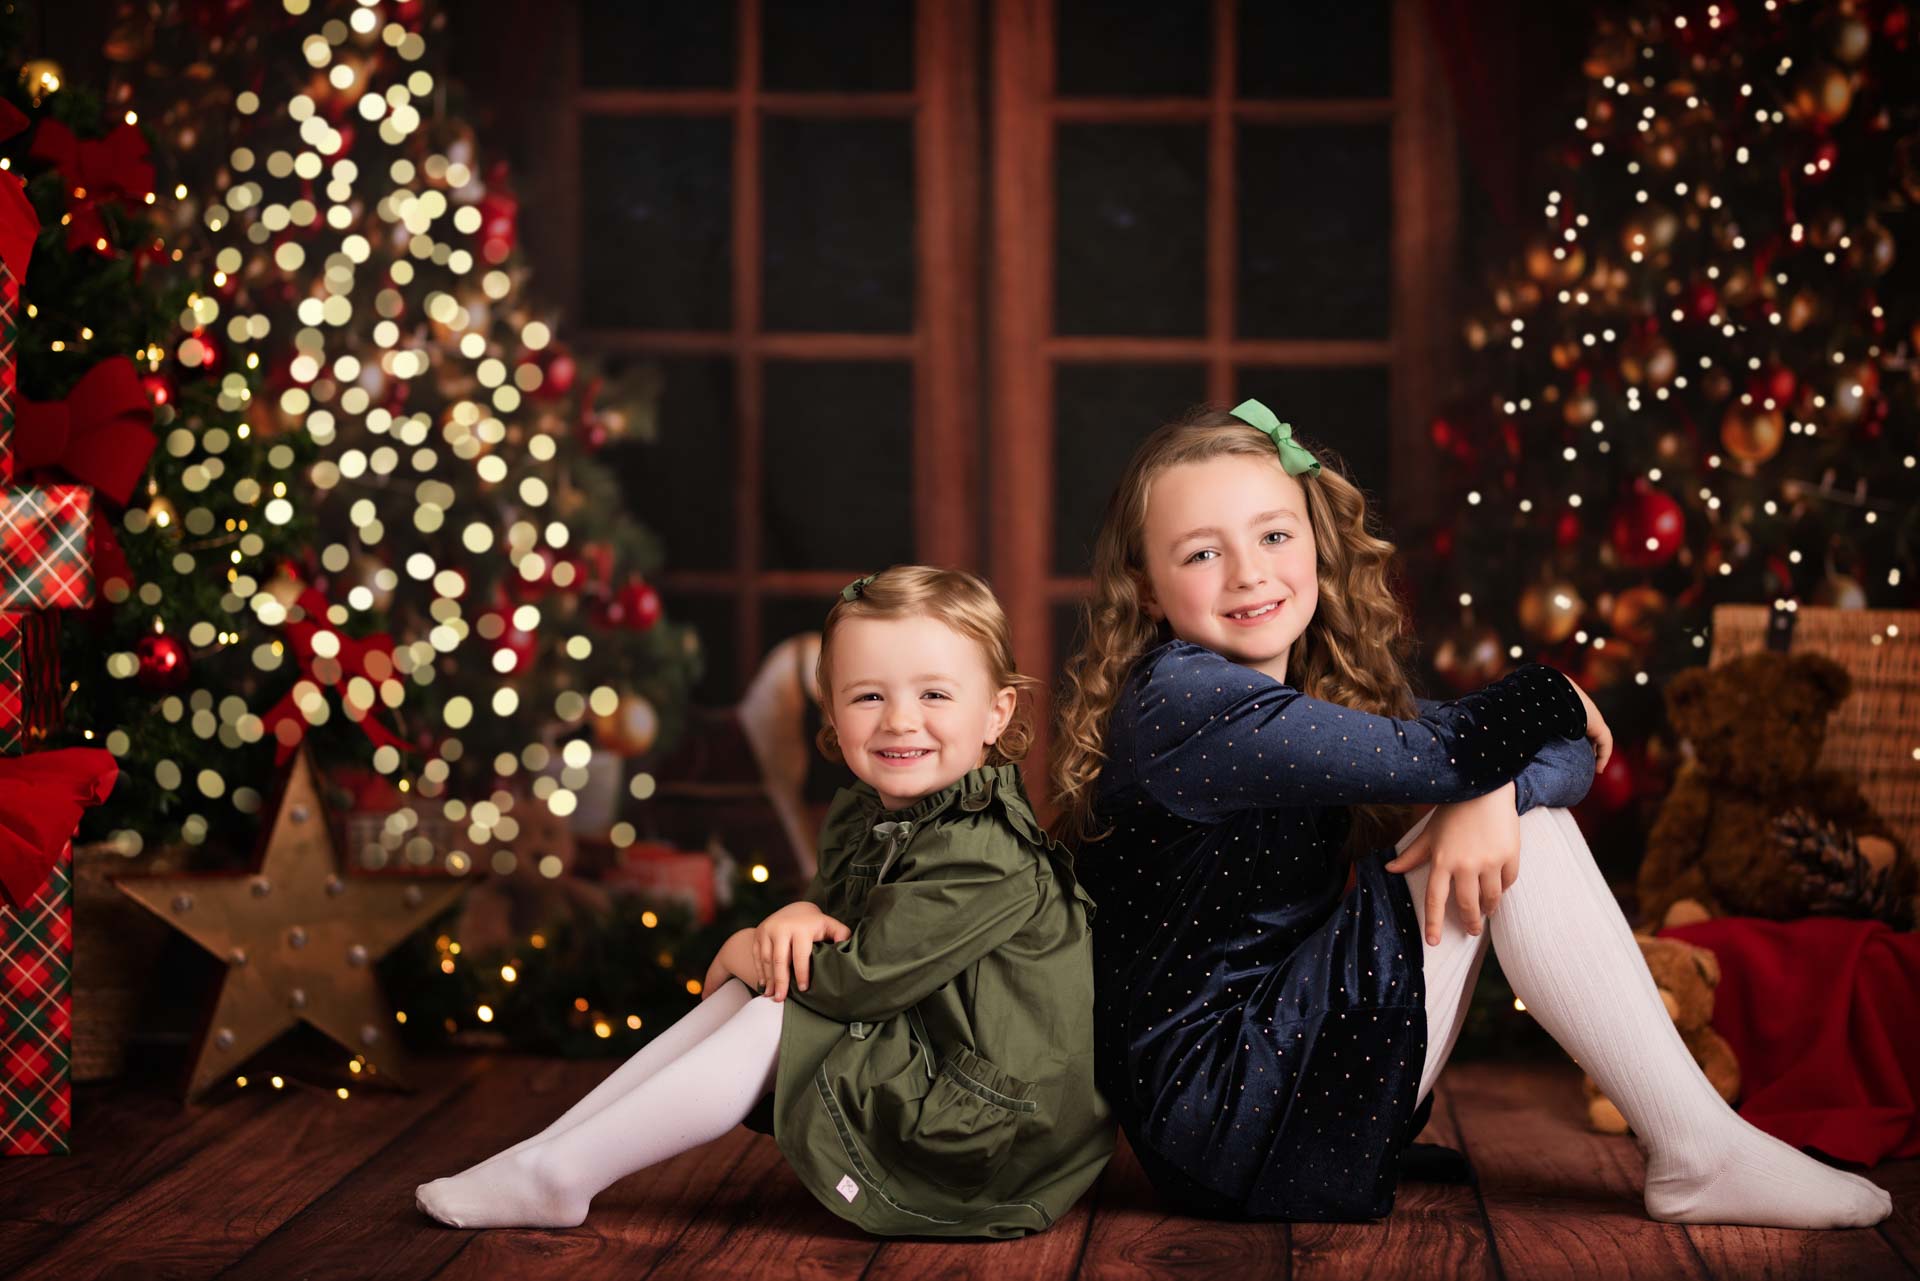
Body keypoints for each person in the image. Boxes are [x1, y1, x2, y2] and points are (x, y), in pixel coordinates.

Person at [1050, 400, 1892, 1227]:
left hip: (1267, 1079)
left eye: (1275, 534)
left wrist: (1490, 794)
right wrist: (1549, 690)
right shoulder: (1183, 701)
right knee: (1505, 809)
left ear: (1316, 542)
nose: (1249, 572)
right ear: (1147, 589)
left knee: (1506, 808)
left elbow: (1560, 761)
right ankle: (1702, 1150)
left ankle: (1701, 1146)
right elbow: (1471, 750)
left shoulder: (1310, 693)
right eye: (1202, 553)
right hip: (1227, 1110)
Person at [416, 565, 1111, 1237]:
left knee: (778, 1006)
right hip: (933, 1062)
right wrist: (797, 920)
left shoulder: (985, 849)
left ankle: (561, 1170)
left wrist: (754, 940)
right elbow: (830, 936)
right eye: (868, 696)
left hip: (996, 1133)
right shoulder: (875, 817)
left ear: (997, 711)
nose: (901, 720)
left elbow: (855, 981)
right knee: (760, 992)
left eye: (935, 695)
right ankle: (551, 1156)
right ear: (833, 715)